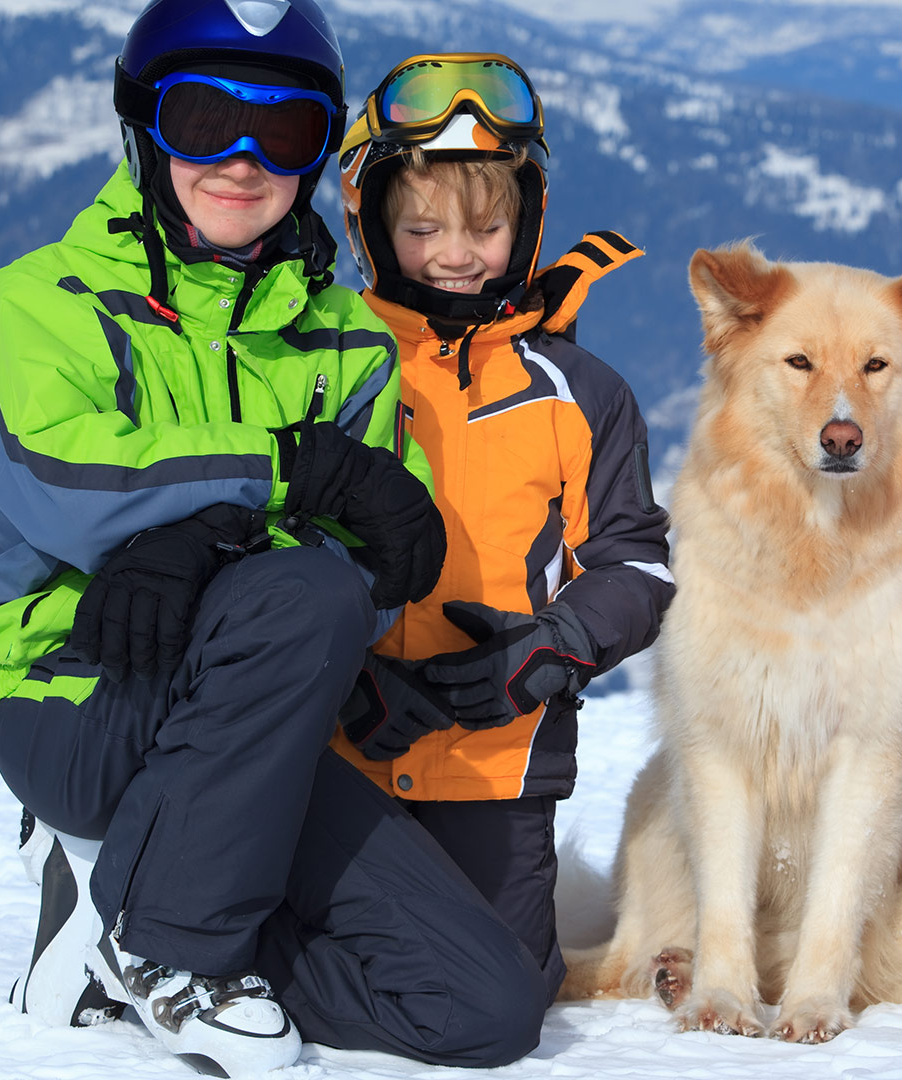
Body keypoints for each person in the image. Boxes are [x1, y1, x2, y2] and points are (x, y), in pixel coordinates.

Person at [0, 2, 546, 1073]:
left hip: (250, 726)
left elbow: (388, 561)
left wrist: (213, 538)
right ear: (145, 129)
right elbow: (67, 480)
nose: (244, 162)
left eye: (287, 131)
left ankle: (115, 918)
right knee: (296, 590)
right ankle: (172, 949)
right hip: (77, 694)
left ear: (319, 156)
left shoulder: (345, 341)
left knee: (484, 1006)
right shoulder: (51, 302)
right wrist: (284, 477)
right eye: (204, 119)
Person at [327, 52, 675, 1003]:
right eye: (422, 226)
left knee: (504, 999)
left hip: (499, 754)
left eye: (487, 226)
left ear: (526, 226)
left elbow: (637, 566)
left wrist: (545, 652)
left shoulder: (579, 392)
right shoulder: (330, 361)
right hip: (337, 753)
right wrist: (336, 678)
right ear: (368, 225)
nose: (456, 252)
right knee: (304, 971)